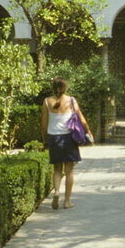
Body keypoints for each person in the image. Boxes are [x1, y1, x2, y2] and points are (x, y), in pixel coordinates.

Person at [41, 77, 93, 209]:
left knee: (57, 169)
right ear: (65, 88)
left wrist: (44, 140)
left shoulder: (47, 101)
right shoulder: (71, 100)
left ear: (53, 87)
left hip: (54, 138)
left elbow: (44, 124)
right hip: (69, 138)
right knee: (69, 171)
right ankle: (66, 201)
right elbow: (81, 118)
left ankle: (57, 191)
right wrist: (89, 132)